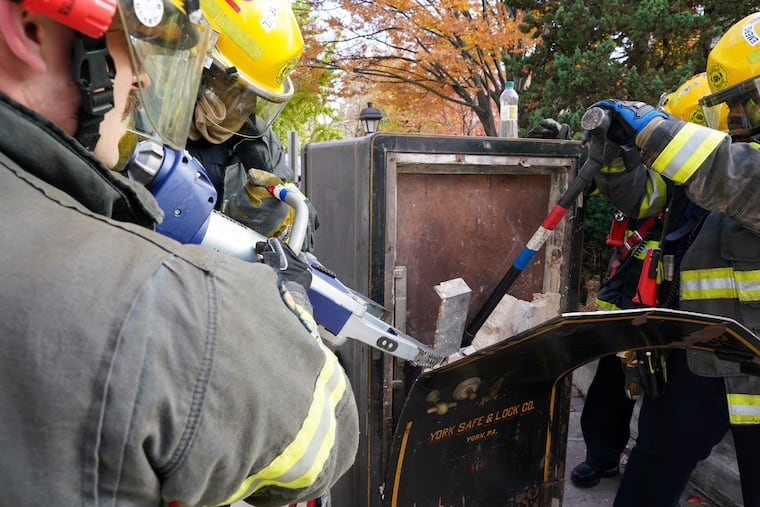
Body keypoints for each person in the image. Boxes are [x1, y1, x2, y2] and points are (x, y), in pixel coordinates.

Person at [0, 2, 358, 507]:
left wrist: (265, 220)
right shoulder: (109, 126)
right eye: (231, 95)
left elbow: (298, 242)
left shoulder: (253, 145)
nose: (141, 78)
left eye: (248, 102)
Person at [587, 12, 760, 506]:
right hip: (703, 355)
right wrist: (617, 155)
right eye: (732, 106)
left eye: (746, 102)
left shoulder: (734, 165)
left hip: (755, 365)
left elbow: (741, 179)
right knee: (654, 467)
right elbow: (646, 202)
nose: (738, 119)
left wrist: (656, 132)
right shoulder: (728, 157)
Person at [565, 73, 715, 488]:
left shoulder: (717, 173)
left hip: (673, 300)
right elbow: (625, 190)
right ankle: (602, 455)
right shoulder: (653, 162)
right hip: (629, 287)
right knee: (612, 378)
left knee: (665, 393)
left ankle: (658, 459)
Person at [185, 0, 319, 252]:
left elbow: (304, 239)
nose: (243, 107)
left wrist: (279, 222)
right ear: (199, 68)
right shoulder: (145, 122)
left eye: (252, 96)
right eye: (232, 89)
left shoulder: (257, 142)